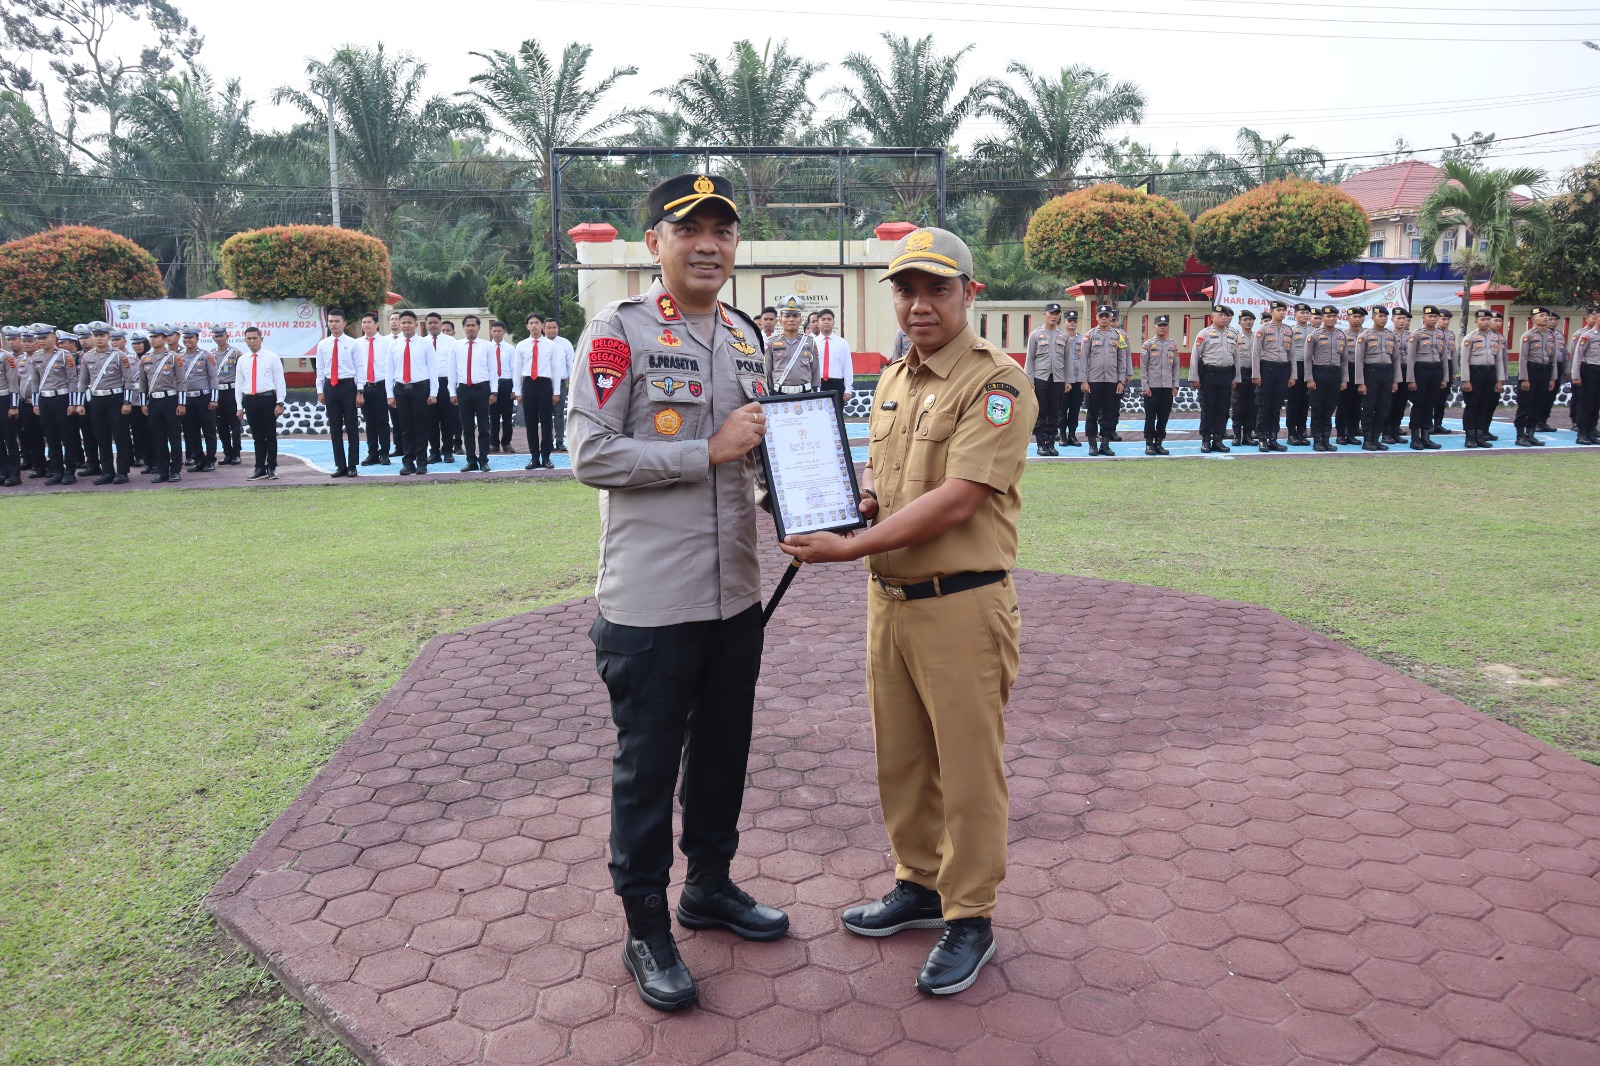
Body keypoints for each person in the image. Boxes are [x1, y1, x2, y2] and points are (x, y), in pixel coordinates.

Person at [779, 226, 1035, 997]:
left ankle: (971, 915)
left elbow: (958, 501)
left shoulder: (997, 383)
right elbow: (889, 488)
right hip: (889, 603)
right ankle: (919, 886)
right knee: (902, 759)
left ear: (969, 293)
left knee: (965, 769)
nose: (919, 305)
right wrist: (847, 507)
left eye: (937, 289)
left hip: (961, 606)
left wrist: (849, 547)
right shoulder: (894, 379)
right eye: (906, 290)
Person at [568, 173, 785, 1013]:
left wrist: (815, 506)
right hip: (651, 605)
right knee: (648, 768)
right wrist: (708, 452)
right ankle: (646, 927)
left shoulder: (743, 336)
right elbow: (591, 456)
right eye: (689, 228)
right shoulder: (616, 333)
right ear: (653, 242)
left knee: (725, 751)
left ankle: (711, 887)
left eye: (723, 230)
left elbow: (760, 457)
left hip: (734, 596)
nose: (708, 244)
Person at [75, 322, 133, 484]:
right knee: (102, 437)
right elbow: (83, 382)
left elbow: (128, 380)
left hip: (115, 399)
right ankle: (107, 471)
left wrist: (127, 402)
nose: (99, 338)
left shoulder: (119, 355)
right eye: (96, 335)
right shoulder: (87, 356)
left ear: (108, 337)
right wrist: (80, 403)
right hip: (96, 400)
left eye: (102, 335)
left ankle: (122, 472)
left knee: (120, 437)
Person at [387, 311, 436, 475]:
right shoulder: (393, 344)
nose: (406, 325)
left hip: (420, 389)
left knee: (421, 427)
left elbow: (432, 369)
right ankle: (408, 463)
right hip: (400, 389)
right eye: (403, 323)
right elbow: (389, 371)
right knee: (405, 428)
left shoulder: (425, 343)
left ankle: (422, 462)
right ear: (399, 325)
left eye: (409, 322)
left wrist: (433, 392)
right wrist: (390, 394)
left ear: (416, 325)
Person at [1188, 305, 1241, 453]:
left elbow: (1236, 358)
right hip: (1209, 375)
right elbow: (1195, 356)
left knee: (1222, 408)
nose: (1224, 317)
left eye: (1226, 315)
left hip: (1226, 375)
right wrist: (1194, 377)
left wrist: (1236, 377)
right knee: (1207, 408)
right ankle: (1206, 439)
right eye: (1220, 315)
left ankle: (1218, 439)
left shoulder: (1232, 335)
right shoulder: (1204, 334)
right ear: (1212, 317)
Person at [30, 327, 80, 485]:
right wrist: (36, 402)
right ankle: (57, 471)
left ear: (53, 337)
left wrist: (73, 402)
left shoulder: (64, 355)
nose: (41, 341)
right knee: (51, 437)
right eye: (39, 338)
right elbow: (35, 381)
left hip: (62, 398)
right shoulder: (36, 356)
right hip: (45, 400)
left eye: (45, 337)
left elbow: (72, 379)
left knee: (67, 436)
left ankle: (70, 471)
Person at [316, 309, 361, 477]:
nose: (333, 324)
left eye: (336, 321)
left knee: (351, 427)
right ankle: (340, 465)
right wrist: (320, 390)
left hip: (348, 386)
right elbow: (320, 369)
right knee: (335, 428)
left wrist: (360, 391)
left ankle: (352, 465)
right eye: (330, 321)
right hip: (330, 387)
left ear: (344, 323)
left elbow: (360, 368)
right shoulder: (323, 344)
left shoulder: (353, 343)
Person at [1080, 304, 1129, 456]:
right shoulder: (1089, 336)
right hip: (1093, 380)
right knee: (1092, 413)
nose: (1104, 318)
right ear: (1096, 318)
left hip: (1112, 380)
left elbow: (1122, 359)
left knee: (1109, 412)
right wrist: (1084, 380)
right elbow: (1083, 359)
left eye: (1106, 316)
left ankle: (1105, 444)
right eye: (1101, 316)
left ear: (1110, 318)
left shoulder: (1118, 336)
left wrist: (1121, 381)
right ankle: (1092, 444)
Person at [237, 327, 286, 480]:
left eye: (254, 338)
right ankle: (259, 468)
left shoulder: (272, 357)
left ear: (261, 339)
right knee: (257, 437)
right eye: (248, 339)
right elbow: (239, 384)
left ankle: (271, 467)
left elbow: (280, 381)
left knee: (270, 435)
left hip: (268, 399)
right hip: (250, 400)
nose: (252, 341)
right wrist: (239, 406)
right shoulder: (242, 359)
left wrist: (280, 402)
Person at [449, 313, 496, 471]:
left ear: (478, 327)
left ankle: (484, 460)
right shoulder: (455, 346)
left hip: (482, 389)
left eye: (473, 325)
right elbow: (452, 371)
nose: (470, 328)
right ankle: (471, 460)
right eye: (467, 325)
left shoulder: (487, 346)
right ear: (463, 328)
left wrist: (493, 391)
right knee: (467, 428)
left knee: (483, 427)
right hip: (463, 390)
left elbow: (493, 369)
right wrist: (452, 393)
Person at [139, 326, 186, 483]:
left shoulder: (173, 357)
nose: (152, 339)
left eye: (156, 336)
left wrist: (181, 403)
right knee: (158, 439)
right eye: (151, 336)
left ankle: (175, 471)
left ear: (165, 339)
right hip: (153, 401)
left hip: (170, 400)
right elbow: (142, 383)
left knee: (174, 438)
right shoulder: (145, 358)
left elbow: (181, 381)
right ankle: (162, 470)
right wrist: (143, 403)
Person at [1305, 306, 1355, 452]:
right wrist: (1309, 378)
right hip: (1319, 373)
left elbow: (1344, 359)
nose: (1331, 319)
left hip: (1335, 375)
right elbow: (1308, 359)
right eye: (1328, 316)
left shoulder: (1341, 335)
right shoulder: (1314, 335)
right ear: (1322, 318)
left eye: (1334, 316)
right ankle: (1317, 440)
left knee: (1329, 408)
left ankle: (1326, 439)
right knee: (1317, 408)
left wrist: (1344, 379)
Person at [1023, 302, 1070, 456]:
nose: (1054, 316)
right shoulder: (1036, 334)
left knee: (1054, 412)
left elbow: (1068, 360)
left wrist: (1068, 380)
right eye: (1051, 313)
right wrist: (1030, 380)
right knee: (1040, 412)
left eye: (1056, 314)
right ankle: (1040, 444)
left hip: (1058, 378)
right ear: (1045, 314)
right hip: (1040, 378)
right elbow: (1029, 359)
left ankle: (1051, 443)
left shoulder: (1063, 336)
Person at [1459, 308, 1509, 449]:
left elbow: (1499, 359)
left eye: (1488, 319)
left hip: (1490, 374)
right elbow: (1464, 360)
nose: (1486, 322)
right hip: (1475, 374)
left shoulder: (1495, 338)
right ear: (1476, 321)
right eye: (1483, 319)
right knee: (1472, 406)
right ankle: (1469, 437)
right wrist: (1466, 380)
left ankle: (1480, 435)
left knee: (1484, 406)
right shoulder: (1470, 338)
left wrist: (1500, 380)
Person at [1353, 305, 1400, 451]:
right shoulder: (1365, 336)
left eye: (1386, 317)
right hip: (1371, 373)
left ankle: (1376, 438)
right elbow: (1359, 360)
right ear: (1373, 318)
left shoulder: (1391, 336)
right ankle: (1367, 440)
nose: (1383, 319)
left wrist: (1396, 380)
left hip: (1387, 374)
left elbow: (1396, 359)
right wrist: (1360, 382)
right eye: (1380, 316)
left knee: (1383, 408)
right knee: (1369, 407)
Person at [1405, 305, 1451, 451]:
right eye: (1429, 316)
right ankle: (1415, 438)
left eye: (1435, 316)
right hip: (1421, 371)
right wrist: (1411, 379)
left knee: (1430, 405)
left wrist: (1444, 377)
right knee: (1418, 405)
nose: (1432, 319)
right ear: (1423, 318)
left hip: (1436, 371)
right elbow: (1410, 358)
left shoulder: (1441, 334)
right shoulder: (1417, 334)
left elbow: (1444, 357)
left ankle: (1426, 436)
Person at [1515, 307, 1563, 447]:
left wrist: (1552, 378)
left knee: (1538, 404)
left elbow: (1553, 358)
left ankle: (1530, 434)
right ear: (1533, 319)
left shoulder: (1550, 335)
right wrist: (1524, 378)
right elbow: (1523, 359)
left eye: (1546, 316)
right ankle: (1520, 436)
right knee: (1525, 405)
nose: (1545, 318)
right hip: (1531, 371)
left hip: (1545, 372)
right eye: (1541, 315)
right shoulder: (1528, 335)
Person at [1250, 301, 1293, 451]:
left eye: (1283, 310)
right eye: (1278, 310)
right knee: (1264, 404)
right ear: (1272, 311)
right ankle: (1262, 437)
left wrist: (1292, 375)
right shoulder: (1263, 329)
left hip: (1283, 370)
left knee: (1276, 406)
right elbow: (1255, 354)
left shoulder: (1288, 330)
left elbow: (1291, 355)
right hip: (1267, 368)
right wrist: (1256, 374)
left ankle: (1273, 437)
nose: (1281, 312)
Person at [515, 313, 556, 469]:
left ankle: (546, 457)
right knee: (530, 422)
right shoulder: (521, 345)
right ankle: (534, 457)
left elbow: (556, 369)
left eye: (537, 322)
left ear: (542, 326)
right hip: (529, 385)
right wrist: (518, 391)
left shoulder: (551, 345)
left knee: (546, 422)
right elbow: (517, 370)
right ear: (527, 326)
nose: (534, 326)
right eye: (531, 323)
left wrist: (556, 391)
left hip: (545, 384)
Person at [175, 327, 219, 472]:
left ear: (197, 339)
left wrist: (214, 399)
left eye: (190, 338)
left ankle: (210, 460)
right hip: (187, 399)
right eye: (185, 338)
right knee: (190, 431)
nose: (187, 340)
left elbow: (213, 377)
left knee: (209, 431)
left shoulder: (206, 356)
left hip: (204, 398)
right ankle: (198, 459)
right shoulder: (178, 356)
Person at [423, 312, 460, 463]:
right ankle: (434, 452)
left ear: (440, 323)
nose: (433, 325)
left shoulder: (451, 341)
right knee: (430, 420)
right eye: (430, 322)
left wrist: (454, 388)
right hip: (427, 384)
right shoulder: (422, 342)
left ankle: (448, 451)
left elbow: (456, 364)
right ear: (425, 325)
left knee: (447, 419)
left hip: (445, 383)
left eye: (435, 322)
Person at [357, 312, 392, 466]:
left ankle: (384, 453)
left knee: (383, 421)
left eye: (369, 322)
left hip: (381, 386)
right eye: (363, 322)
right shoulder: (357, 343)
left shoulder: (386, 343)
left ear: (377, 324)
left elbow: (391, 366)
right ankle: (372, 453)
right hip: (364, 387)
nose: (366, 325)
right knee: (369, 421)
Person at [1141, 314, 1179, 455]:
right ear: (1154, 327)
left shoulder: (1172, 345)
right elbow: (1143, 368)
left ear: (1168, 327)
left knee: (1164, 416)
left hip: (1167, 387)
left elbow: (1175, 367)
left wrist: (1175, 385)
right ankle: (1149, 443)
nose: (1162, 328)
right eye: (1159, 326)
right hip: (1152, 387)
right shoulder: (1148, 345)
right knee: (1150, 416)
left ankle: (1159, 442)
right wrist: (1145, 386)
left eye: (1164, 326)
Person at [767, 296, 820, 395]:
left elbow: (815, 370)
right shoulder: (771, 342)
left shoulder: (810, 342)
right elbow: (768, 371)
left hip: (805, 393)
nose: (791, 319)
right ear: (780, 320)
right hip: (779, 393)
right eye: (787, 316)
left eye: (795, 316)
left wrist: (816, 390)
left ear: (800, 320)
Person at [210, 327, 244, 465]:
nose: (219, 338)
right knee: (221, 425)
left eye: (221, 336)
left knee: (234, 424)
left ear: (227, 336)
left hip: (232, 391)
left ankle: (236, 453)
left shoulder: (236, 353)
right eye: (216, 336)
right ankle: (227, 453)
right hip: (218, 392)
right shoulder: (211, 354)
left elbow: (242, 373)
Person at [542, 316, 575, 452]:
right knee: (545, 414)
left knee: (559, 414)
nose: (552, 330)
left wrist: (572, 382)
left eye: (554, 327)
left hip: (560, 384)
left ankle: (560, 440)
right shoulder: (540, 344)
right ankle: (547, 441)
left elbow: (571, 364)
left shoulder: (565, 343)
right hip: (543, 384)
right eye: (549, 328)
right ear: (543, 329)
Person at [1333, 307, 1365, 445]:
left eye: (1360, 317)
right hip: (1347, 370)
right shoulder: (1342, 335)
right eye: (1354, 317)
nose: (1357, 319)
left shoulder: (1367, 334)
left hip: (1362, 372)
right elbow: (1340, 357)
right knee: (1343, 404)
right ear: (1347, 318)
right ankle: (1340, 434)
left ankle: (1351, 433)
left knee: (1357, 405)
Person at [1569, 305, 1600, 445]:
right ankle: (1582, 433)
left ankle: (1591, 431)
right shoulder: (1587, 336)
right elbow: (1578, 356)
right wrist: (1576, 376)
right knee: (1586, 404)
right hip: (1589, 371)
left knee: (1596, 405)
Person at [1285, 303, 1314, 446]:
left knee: (1305, 402)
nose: (1305, 315)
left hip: (1310, 368)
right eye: (1301, 313)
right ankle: (1291, 432)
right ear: (1295, 314)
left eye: (1307, 313)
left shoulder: (1314, 331)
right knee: (1293, 401)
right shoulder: (1289, 330)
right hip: (1295, 367)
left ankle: (1302, 430)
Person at [1058, 310, 1087, 447]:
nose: (1072, 322)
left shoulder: (1083, 340)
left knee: (1075, 409)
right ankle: (1062, 435)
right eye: (1069, 320)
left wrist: (1084, 380)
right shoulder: (1059, 338)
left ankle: (1072, 435)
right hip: (1063, 380)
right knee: (1062, 410)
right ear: (1064, 322)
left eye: (1074, 320)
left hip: (1078, 379)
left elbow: (1086, 360)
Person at [1385, 307, 1414, 443]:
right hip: (1391, 371)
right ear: (1392, 320)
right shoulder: (1387, 335)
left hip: (1406, 371)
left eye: (1404, 319)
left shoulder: (1411, 336)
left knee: (1401, 403)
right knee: (1389, 403)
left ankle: (1395, 431)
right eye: (1399, 318)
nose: (1402, 321)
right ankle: (1386, 432)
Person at [1230, 309, 1258, 446]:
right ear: (1239, 322)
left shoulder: (1257, 337)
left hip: (1253, 374)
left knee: (1251, 406)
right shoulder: (1235, 337)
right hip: (1239, 374)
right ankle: (1236, 435)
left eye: (1250, 319)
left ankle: (1247, 434)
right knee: (1238, 406)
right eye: (1245, 320)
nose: (1248, 322)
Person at [488, 320, 516, 453]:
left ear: (504, 332)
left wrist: (515, 388)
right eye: (494, 330)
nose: (497, 333)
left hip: (506, 384)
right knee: (493, 416)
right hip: (491, 385)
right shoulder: (487, 348)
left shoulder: (510, 349)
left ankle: (506, 443)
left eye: (499, 331)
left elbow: (514, 369)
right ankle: (493, 443)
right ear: (491, 331)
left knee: (506, 416)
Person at [0, 327, 23, 486]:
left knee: (10, 439)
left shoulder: (6, 357)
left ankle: (14, 474)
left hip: (4, 399)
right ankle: (2, 471)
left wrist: (13, 405)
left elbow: (13, 383)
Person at [815, 308, 854, 400]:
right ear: (818, 322)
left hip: (837, 383)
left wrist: (848, 389)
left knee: (837, 413)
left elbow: (847, 367)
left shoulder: (842, 343)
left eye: (829, 319)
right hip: (817, 383)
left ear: (834, 322)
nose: (826, 322)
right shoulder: (812, 342)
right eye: (823, 319)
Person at [1434, 308, 1458, 435]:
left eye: (1448, 319)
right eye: (1443, 319)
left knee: (1442, 397)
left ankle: (1438, 423)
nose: (1446, 322)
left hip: (1447, 365)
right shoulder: (1430, 332)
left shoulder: (1451, 334)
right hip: (1435, 365)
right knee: (1432, 397)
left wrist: (1454, 371)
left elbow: (1454, 353)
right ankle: (1427, 424)